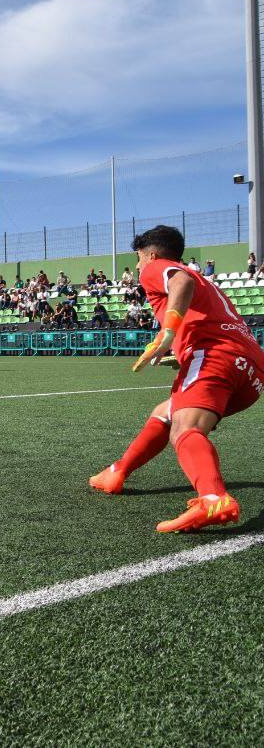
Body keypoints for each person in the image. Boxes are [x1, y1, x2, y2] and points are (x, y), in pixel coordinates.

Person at [90, 225, 264, 532]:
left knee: (185, 429)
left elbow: (180, 282)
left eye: (138, 258)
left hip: (216, 355)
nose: (138, 267)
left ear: (151, 255)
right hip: (251, 370)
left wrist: (168, 334)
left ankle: (213, 498)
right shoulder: (206, 283)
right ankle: (117, 471)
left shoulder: (157, 268)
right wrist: (181, 352)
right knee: (166, 412)